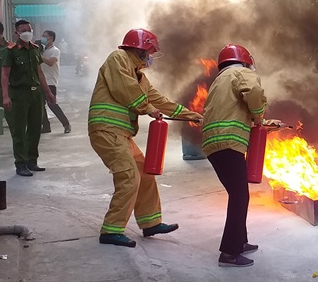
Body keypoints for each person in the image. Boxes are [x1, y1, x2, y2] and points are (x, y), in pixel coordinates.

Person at [88, 28, 203, 248]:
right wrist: (147, 108)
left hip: (121, 135)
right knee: (129, 177)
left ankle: (150, 223)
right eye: (150, 52)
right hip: (106, 130)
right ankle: (111, 230)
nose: (151, 57)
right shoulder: (118, 58)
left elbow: (160, 100)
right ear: (141, 49)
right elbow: (125, 89)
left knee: (145, 173)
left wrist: (191, 115)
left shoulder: (140, 76)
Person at [201, 44, 266, 268]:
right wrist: (259, 115)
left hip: (213, 145)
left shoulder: (219, 80)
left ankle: (240, 241)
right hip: (229, 143)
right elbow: (254, 92)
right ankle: (229, 253)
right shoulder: (241, 72)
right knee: (239, 197)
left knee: (238, 194)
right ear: (245, 61)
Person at [1, 19, 57, 177]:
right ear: (16, 33)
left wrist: (48, 92)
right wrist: (5, 96)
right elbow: (5, 75)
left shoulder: (34, 49)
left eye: (29, 29)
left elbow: (40, 73)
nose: (27, 33)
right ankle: (21, 163)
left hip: (35, 94)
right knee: (19, 130)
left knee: (35, 128)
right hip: (19, 94)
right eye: (23, 30)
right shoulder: (11, 51)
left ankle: (32, 160)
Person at [40, 30, 72, 134]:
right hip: (41, 81)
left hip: (50, 81)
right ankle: (46, 126)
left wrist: (39, 56)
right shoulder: (43, 50)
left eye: (45, 36)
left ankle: (66, 124)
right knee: (40, 105)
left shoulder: (55, 50)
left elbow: (51, 62)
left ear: (51, 38)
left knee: (52, 104)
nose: (42, 38)